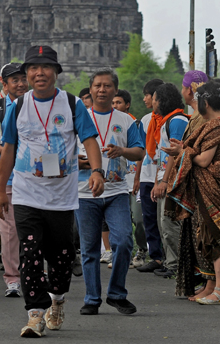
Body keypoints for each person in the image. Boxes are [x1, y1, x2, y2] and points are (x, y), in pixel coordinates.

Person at [0, 45, 102, 338]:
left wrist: (96, 170)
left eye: (45, 67)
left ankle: (57, 299)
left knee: (62, 257)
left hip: (61, 197)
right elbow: (8, 150)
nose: (39, 73)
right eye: (33, 68)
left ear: (56, 72)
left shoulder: (71, 104)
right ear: (26, 74)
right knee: (29, 252)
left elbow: (90, 139)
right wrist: (1, 190)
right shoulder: (18, 107)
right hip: (27, 193)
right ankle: (35, 314)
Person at [164, 81, 220, 304]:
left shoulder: (216, 126)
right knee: (206, 238)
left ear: (205, 103)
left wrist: (182, 151)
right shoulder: (218, 123)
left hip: (214, 189)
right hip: (210, 188)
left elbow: (204, 160)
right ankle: (211, 286)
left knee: (216, 239)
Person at [77, 70, 144, 316]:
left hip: (116, 191)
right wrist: (81, 163)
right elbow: (64, 154)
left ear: (116, 90)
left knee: (123, 241)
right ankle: (92, 298)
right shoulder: (79, 117)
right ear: (91, 90)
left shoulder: (125, 120)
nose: (102, 90)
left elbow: (140, 152)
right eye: (97, 86)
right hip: (84, 193)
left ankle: (116, 294)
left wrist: (122, 151)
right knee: (89, 249)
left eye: (107, 86)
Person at [0, 63, 28, 298]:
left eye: (23, 78)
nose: (21, 83)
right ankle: (12, 278)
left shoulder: (37, 105)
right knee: (10, 229)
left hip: (36, 176)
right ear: (4, 84)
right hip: (10, 176)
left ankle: (32, 270)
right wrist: (9, 152)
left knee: (33, 227)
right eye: (15, 80)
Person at [148, 84, 188, 279]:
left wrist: (165, 181)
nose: (152, 102)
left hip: (173, 180)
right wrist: (157, 182)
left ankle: (178, 265)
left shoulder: (178, 120)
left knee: (170, 223)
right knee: (162, 224)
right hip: (163, 178)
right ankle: (170, 262)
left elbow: (175, 153)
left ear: (162, 100)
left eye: (154, 98)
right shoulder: (164, 122)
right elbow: (160, 155)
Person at [113, 89, 148, 268]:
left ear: (127, 105)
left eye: (118, 102)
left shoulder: (136, 124)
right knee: (121, 222)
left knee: (139, 219)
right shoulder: (107, 122)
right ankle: (122, 255)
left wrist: (138, 178)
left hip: (134, 178)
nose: (115, 106)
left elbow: (142, 153)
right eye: (113, 103)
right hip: (117, 179)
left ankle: (142, 249)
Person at [136, 79, 165, 273]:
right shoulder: (146, 120)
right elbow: (140, 151)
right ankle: (155, 256)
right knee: (149, 218)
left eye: (148, 95)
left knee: (164, 219)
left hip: (161, 175)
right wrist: (137, 177)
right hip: (147, 174)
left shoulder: (170, 120)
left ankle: (168, 257)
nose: (145, 98)